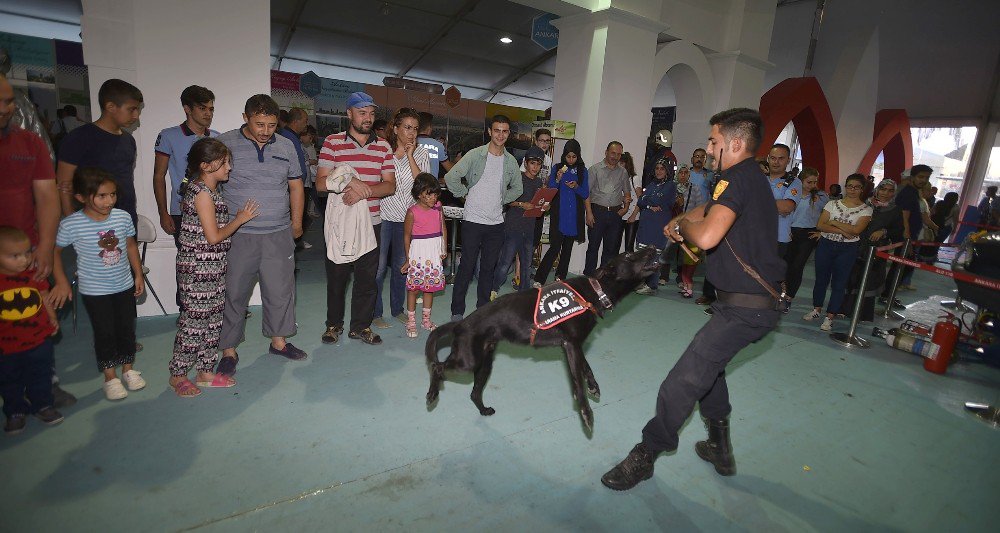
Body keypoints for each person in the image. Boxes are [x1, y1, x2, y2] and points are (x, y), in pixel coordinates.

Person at [601, 108, 785, 490]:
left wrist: (683, 225)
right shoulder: (744, 178)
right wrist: (683, 216)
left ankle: (647, 453)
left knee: (683, 381)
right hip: (744, 305)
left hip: (745, 309)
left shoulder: (738, 178)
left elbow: (706, 237)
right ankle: (719, 446)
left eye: (713, 141)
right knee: (710, 371)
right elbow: (714, 208)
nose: (708, 147)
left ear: (735, 143)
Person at [0, 74, 77, 408]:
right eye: (1, 102)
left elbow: (46, 196)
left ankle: (45, 383)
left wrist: (46, 246)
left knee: (36, 318)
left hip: (27, 250)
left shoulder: (29, 143)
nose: (8, 108)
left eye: (9, 100)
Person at [216, 94, 307, 371]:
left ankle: (278, 342)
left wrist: (297, 223)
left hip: (278, 232)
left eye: (271, 125)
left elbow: (295, 186)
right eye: (259, 124)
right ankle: (228, 351)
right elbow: (210, 185)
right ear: (245, 118)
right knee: (234, 293)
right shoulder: (225, 143)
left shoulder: (287, 145)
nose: (266, 131)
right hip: (239, 234)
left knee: (280, 292)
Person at [168, 138, 259, 398]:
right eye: (224, 162)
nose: (229, 167)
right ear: (206, 165)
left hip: (214, 267)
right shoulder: (201, 194)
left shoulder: (210, 191)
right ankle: (178, 374)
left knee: (212, 321)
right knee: (194, 323)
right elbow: (213, 236)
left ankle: (206, 371)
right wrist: (240, 220)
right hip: (197, 269)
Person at [52, 168, 145, 401]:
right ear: (81, 197)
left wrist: (138, 274)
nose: (109, 201)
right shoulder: (72, 224)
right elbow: (54, 252)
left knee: (126, 329)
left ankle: (128, 370)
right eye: (102, 196)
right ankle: (110, 378)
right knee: (105, 332)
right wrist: (61, 280)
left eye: (112, 194)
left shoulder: (122, 217)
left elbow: (131, 246)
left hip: (123, 285)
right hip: (95, 291)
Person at [316, 92, 396, 345]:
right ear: (349, 113)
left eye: (371, 113)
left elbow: (390, 186)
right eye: (362, 112)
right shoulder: (332, 143)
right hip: (340, 224)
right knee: (337, 278)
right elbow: (320, 183)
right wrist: (352, 181)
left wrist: (365, 191)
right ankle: (333, 324)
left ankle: (360, 327)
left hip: (372, 223)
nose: (368, 118)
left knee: (367, 281)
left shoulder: (383, 146)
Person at [444, 114, 522, 322]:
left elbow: (518, 188)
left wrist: (503, 199)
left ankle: (483, 311)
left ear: (509, 134)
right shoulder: (475, 155)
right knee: (467, 267)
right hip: (472, 221)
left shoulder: (511, 161)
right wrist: (464, 195)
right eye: (497, 130)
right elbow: (452, 177)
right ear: (489, 131)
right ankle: (457, 311)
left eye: (505, 131)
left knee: (488, 269)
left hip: (496, 224)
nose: (500, 135)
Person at [0, 226, 63, 434]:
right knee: (9, 379)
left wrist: (52, 318)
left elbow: (44, 297)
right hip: (7, 346)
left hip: (38, 339)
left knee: (41, 374)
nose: (24, 260)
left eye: (27, 252)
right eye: (14, 256)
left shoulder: (33, 275)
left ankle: (43, 405)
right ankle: (15, 411)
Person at [56, 79, 143, 226]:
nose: (136, 116)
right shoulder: (78, 138)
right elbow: (64, 185)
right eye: (131, 109)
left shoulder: (129, 141)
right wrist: (74, 226)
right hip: (91, 225)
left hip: (125, 221)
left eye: (138, 110)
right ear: (110, 106)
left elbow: (125, 181)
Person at [373, 109, 429, 329]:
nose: (411, 133)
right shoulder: (382, 150)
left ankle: (397, 309)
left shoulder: (421, 153)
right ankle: (376, 312)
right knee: (378, 268)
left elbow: (422, 184)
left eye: (415, 128)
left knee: (400, 266)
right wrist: (398, 155)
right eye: (407, 127)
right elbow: (377, 179)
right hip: (383, 216)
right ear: (395, 129)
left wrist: (410, 156)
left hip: (406, 218)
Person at [803, 174, 872, 331]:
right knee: (821, 279)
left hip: (847, 249)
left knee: (839, 283)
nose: (852, 190)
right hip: (826, 245)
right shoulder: (832, 204)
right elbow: (821, 225)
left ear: (862, 189)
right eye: (849, 186)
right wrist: (843, 229)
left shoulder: (866, 209)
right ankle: (816, 309)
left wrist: (833, 222)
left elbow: (856, 231)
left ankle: (830, 316)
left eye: (857, 187)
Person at [153, 85, 218, 243]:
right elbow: (159, 176)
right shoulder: (169, 136)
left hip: (212, 208)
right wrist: (163, 213)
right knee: (187, 262)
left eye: (211, 109)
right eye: (202, 108)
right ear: (187, 109)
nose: (208, 113)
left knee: (213, 259)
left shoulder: (217, 138)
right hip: (181, 210)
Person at [841, 178, 904, 322]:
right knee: (850, 277)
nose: (885, 193)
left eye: (890, 190)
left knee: (869, 280)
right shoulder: (864, 203)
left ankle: (862, 314)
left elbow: (898, 231)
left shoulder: (895, 209)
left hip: (876, 251)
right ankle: (843, 309)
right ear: (877, 189)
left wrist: (884, 231)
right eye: (883, 189)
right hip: (854, 245)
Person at [533, 139, 588, 286]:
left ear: (578, 156)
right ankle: (539, 279)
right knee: (555, 247)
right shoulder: (557, 167)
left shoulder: (583, 171)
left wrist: (576, 186)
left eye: (574, 157)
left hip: (573, 216)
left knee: (567, 249)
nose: (570, 160)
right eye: (568, 156)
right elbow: (551, 189)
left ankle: (560, 278)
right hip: (559, 214)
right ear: (564, 155)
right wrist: (557, 179)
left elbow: (585, 193)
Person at [494, 145, 547, 294]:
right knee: (505, 262)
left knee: (527, 264)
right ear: (525, 163)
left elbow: (538, 206)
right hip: (513, 226)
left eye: (538, 164)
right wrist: (522, 204)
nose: (535, 167)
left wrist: (544, 206)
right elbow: (505, 199)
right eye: (532, 163)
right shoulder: (518, 178)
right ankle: (493, 289)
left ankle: (525, 295)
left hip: (529, 227)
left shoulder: (539, 183)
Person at [401, 173, 447, 338]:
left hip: (433, 252)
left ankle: (426, 320)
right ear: (419, 193)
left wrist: (443, 248)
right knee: (413, 289)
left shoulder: (438, 207)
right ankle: (411, 321)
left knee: (430, 288)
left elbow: (443, 228)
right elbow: (407, 236)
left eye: (435, 194)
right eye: (429, 194)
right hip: (418, 253)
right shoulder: (412, 212)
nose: (433, 198)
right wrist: (408, 258)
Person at [584, 141, 631, 275]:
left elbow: (627, 192)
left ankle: (604, 280)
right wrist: (589, 213)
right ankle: (589, 277)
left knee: (610, 250)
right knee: (593, 247)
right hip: (597, 212)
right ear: (606, 152)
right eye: (613, 153)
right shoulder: (594, 169)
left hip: (616, 214)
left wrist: (626, 208)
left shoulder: (623, 172)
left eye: (618, 154)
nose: (615, 157)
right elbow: (586, 193)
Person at [783, 167, 827, 306]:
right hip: (790, 232)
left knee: (797, 266)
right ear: (800, 181)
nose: (813, 185)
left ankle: (789, 296)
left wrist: (822, 232)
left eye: (815, 182)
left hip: (808, 234)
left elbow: (830, 216)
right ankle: (781, 293)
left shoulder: (820, 197)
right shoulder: (792, 193)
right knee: (786, 265)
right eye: (809, 182)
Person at [633, 159, 676, 295]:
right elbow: (640, 200)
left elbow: (656, 200)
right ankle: (640, 283)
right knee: (642, 255)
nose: (658, 171)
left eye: (662, 169)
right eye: (657, 168)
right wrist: (648, 204)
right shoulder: (652, 184)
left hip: (658, 225)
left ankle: (651, 286)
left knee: (654, 255)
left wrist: (647, 200)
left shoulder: (670, 185)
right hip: (646, 225)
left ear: (667, 171)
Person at [278, 107, 311, 250]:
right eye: (305, 121)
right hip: (291, 190)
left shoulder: (293, 137)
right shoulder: (286, 138)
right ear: (296, 121)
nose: (306, 124)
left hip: (297, 188)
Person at [765, 143, 803, 257]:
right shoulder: (759, 178)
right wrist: (775, 204)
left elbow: (786, 207)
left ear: (788, 160)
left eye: (781, 158)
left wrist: (756, 201)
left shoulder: (794, 182)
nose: (776, 162)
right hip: (754, 235)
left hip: (778, 238)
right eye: (773, 158)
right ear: (768, 159)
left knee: (770, 274)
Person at [417, 112, 453, 181]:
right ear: (429, 128)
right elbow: (450, 169)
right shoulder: (438, 145)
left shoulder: (409, 143)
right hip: (431, 187)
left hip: (411, 187)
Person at [619, 152, 641, 254]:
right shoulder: (618, 178)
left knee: (629, 247)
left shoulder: (634, 179)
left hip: (633, 216)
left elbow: (641, 199)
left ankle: (630, 270)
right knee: (615, 244)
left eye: (622, 163)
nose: (619, 165)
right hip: (620, 214)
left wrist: (633, 216)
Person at [300, 125, 320, 218]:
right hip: (309, 176)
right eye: (309, 136)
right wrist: (311, 162)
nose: (310, 139)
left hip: (311, 176)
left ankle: (310, 210)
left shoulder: (310, 146)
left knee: (312, 196)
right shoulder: (301, 147)